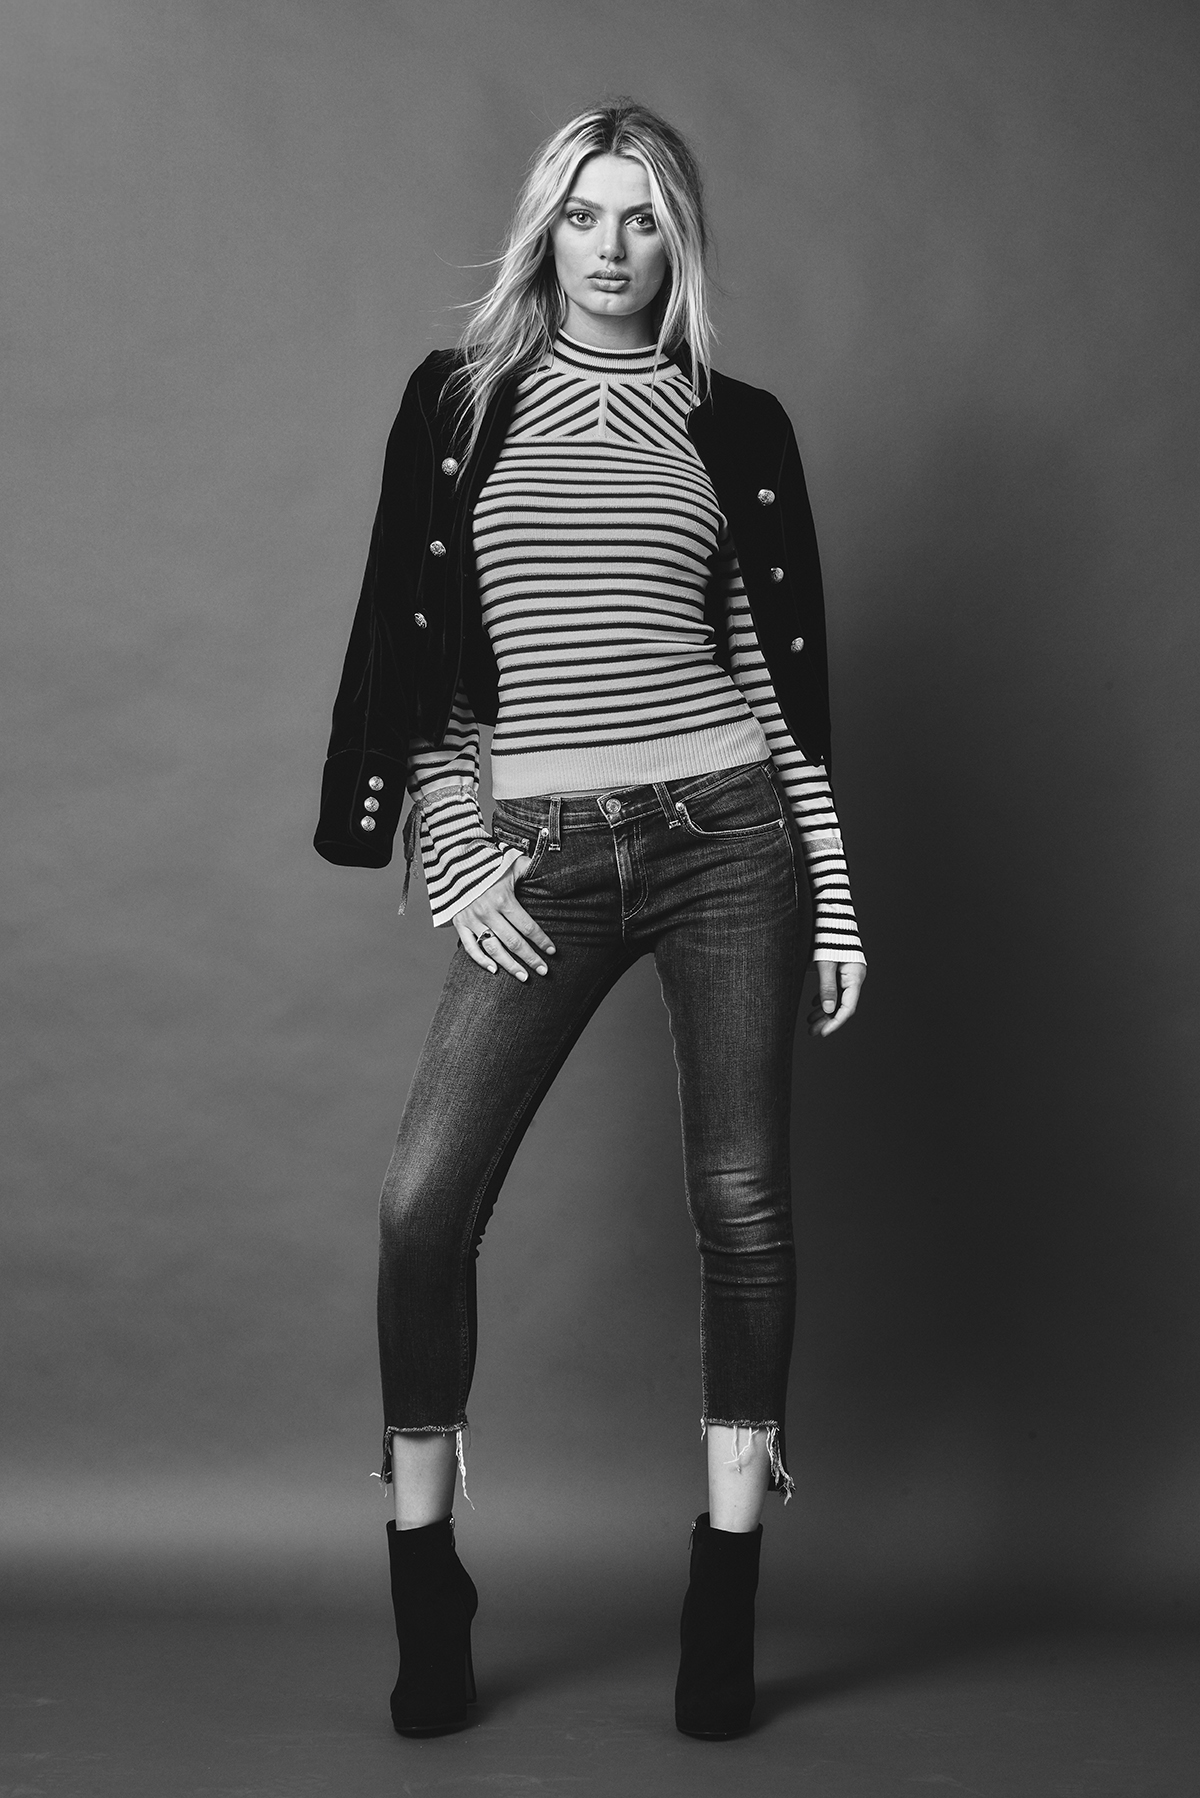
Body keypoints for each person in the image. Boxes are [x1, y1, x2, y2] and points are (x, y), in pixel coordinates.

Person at [314, 98, 866, 1740]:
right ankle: (428, 1577)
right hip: (539, 849)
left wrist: (835, 890)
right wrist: (457, 846)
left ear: (675, 242)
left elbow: (774, 678)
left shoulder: (737, 425)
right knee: (423, 1203)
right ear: (544, 229)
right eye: (583, 214)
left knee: (742, 1205)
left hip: (727, 836)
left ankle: (725, 1590)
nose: (611, 247)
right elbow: (412, 659)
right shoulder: (459, 403)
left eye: (641, 219)